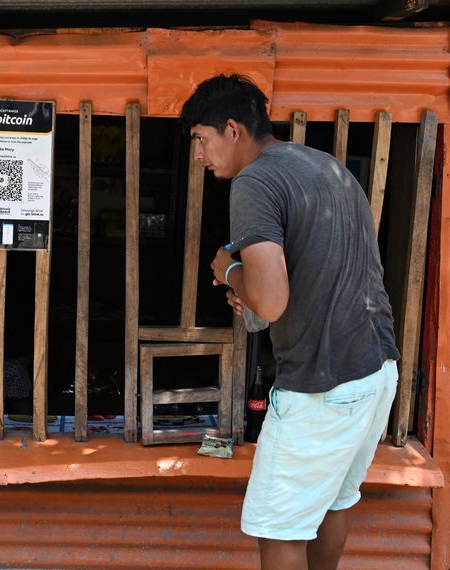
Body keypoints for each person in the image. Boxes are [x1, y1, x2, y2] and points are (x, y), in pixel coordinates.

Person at [180, 74, 400, 570]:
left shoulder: (254, 182)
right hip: (375, 369)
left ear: (232, 130)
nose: (198, 155)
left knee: (278, 528)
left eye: (200, 139)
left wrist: (229, 271)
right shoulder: (324, 166)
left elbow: (272, 303)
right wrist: (252, 292)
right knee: (331, 504)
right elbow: (307, 279)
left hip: (323, 387)